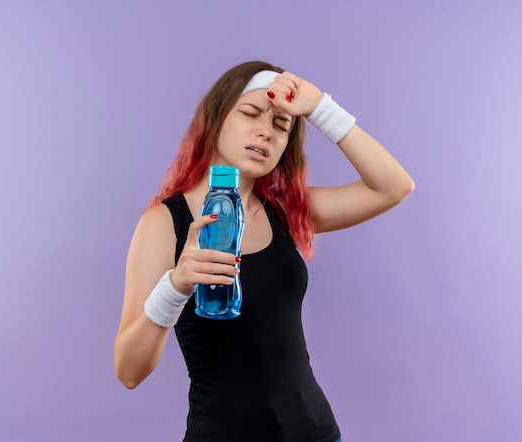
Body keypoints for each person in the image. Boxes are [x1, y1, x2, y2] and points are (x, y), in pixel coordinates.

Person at [114, 60, 414, 442]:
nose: (265, 131)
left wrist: (321, 108)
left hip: (317, 433)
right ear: (216, 117)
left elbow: (393, 187)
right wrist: (176, 286)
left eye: (281, 124)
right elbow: (128, 370)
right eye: (251, 113)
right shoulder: (163, 223)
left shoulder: (285, 211)